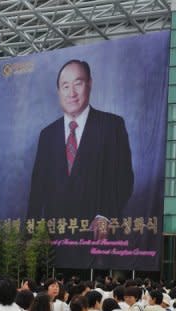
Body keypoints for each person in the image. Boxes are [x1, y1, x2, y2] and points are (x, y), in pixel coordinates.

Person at [27, 59, 134, 225]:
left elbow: (124, 177)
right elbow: (37, 191)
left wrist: (105, 216)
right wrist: (30, 234)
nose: (72, 93)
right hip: (55, 237)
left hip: (97, 236)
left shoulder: (112, 126)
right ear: (58, 91)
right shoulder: (47, 135)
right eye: (65, 86)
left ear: (89, 84)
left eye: (78, 84)